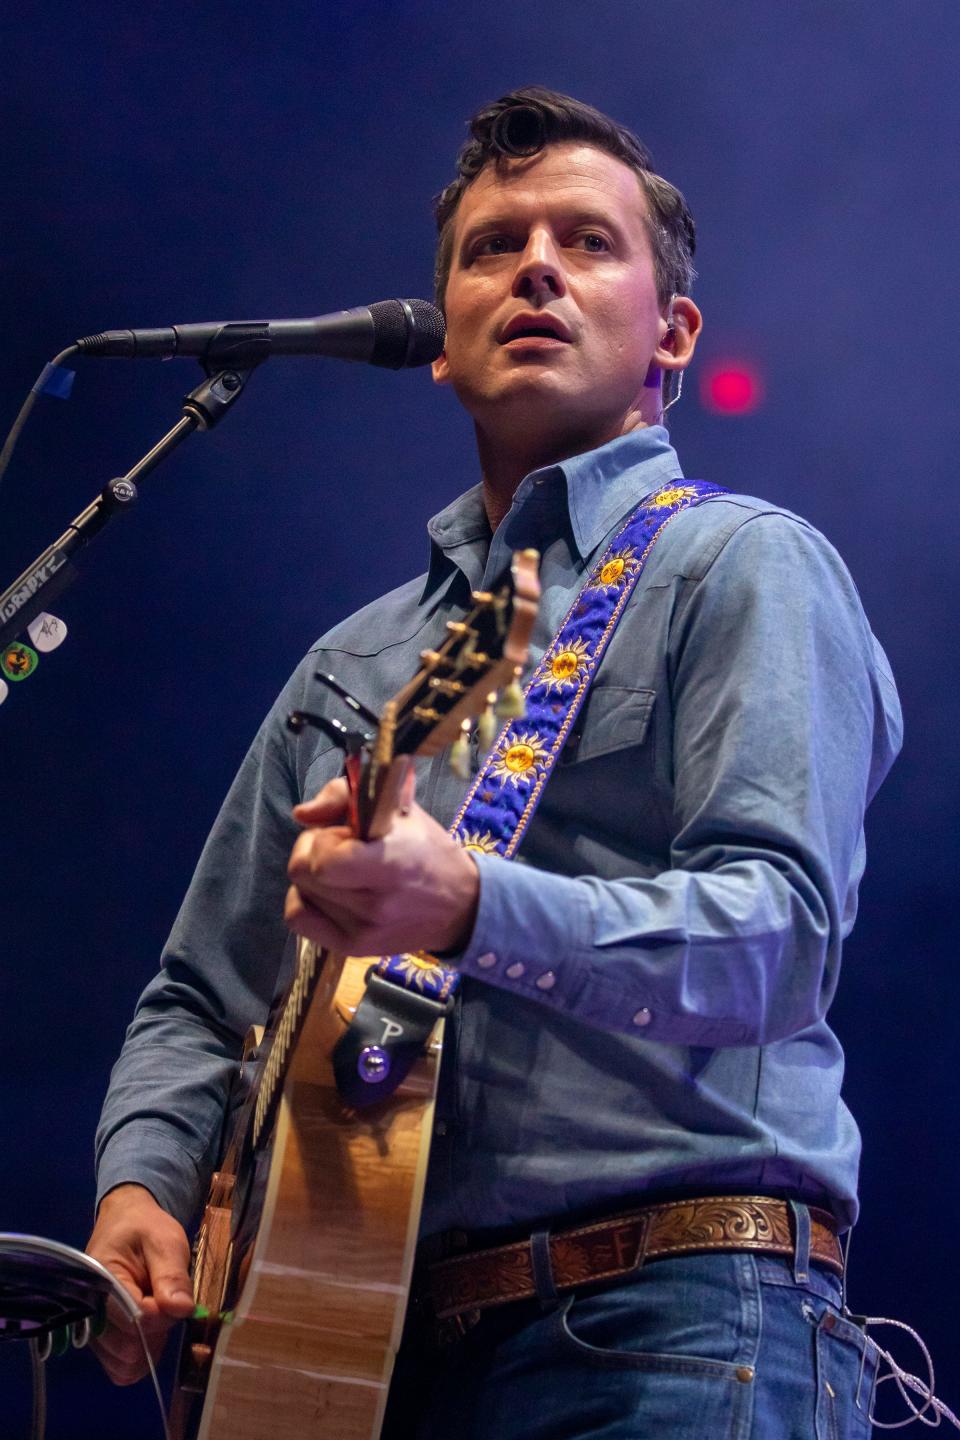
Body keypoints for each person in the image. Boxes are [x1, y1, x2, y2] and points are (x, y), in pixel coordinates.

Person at [87, 87, 901, 1437]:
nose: (533, 265)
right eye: (491, 247)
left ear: (673, 336)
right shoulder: (356, 662)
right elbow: (196, 993)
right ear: (440, 350)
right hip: (357, 1345)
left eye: (586, 242)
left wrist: (466, 906)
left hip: (674, 1324)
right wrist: (144, 1192)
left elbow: (780, 942)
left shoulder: (742, 566)